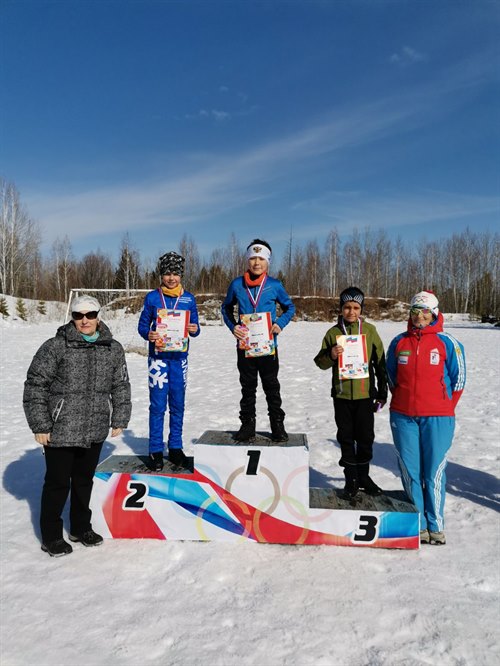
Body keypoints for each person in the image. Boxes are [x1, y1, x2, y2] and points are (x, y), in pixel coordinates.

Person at [23, 296, 132, 557]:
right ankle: (51, 536)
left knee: (84, 481)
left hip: (95, 427)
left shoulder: (112, 348)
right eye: (78, 315)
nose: (85, 320)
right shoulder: (55, 346)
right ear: (72, 317)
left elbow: (120, 385)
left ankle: (81, 528)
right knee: (57, 483)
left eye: (90, 314)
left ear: (98, 316)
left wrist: (119, 417)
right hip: (60, 429)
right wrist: (40, 424)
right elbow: (35, 385)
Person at [386, 291, 466, 545]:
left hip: (438, 418)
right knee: (411, 471)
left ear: (434, 314)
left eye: (424, 312)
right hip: (403, 417)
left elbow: (459, 380)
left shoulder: (448, 342)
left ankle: (436, 525)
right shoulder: (399, 342)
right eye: (415, 311)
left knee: (433, 472)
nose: (419, 316)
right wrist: (404, 399)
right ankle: (418, 523)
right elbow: (391, 376)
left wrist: (443, 406)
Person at [314, 287, 388, 500]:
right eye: (347, 307)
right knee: (346, 437)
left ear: (361, 309)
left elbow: (380, 363)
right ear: (341, 308)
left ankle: (363, 476)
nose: (351, 312)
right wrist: (331, 354)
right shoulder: (333, 333)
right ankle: (351, 478)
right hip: (342, 396)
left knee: (365, 437)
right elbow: (320, 363)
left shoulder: (370, 331)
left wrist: (382, 391)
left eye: (356, 308)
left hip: (365, 396)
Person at [221, 239, 295, 442]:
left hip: (268, 347)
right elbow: (225, 308)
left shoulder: (274, 285)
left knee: (272, 387)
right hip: (245, 346)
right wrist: (233, 326)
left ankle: (277, 425)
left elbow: (290, 307)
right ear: (247, 260)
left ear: (267, 262)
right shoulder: (237, 284)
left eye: (261, 259)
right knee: (247, 388)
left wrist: (280, 324)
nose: (256, 262)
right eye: (253, 258)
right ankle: (247, 425)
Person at [138, 251, 200, 471]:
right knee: (157, 406)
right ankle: (155, 449)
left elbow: (196, 328)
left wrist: (194, 328)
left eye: (175, 273)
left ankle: (175, 447)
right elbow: (142, 325)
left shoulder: (189, 299)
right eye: (167, 273)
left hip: (179, 360)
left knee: (177, 404)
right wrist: (149, 334)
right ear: (161, 275)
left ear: (181, 275)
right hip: (158, 360)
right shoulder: (152, 298)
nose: (171, 278)